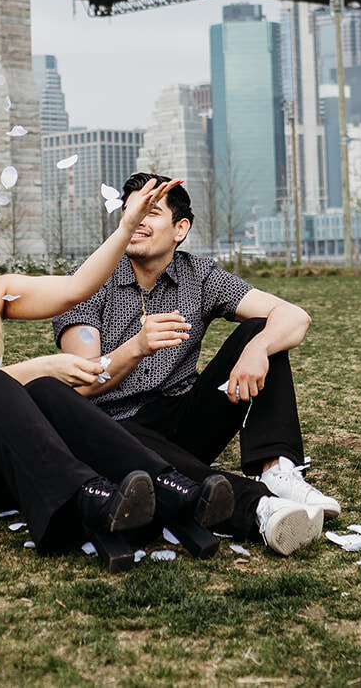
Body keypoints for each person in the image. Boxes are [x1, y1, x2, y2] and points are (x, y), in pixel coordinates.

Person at [0, 178, 232, 570]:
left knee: (44, 390)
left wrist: (127, 226)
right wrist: (42, 366)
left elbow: (76, 288)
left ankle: (169, 485)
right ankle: (90, 496)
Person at [53, 172, 340, 556]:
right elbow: (82, 384)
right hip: (116, 429)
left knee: (261, 328)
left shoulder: (198, 276)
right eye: (130, 210)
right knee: (139, 446)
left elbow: (294, 316)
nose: (137, 220)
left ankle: (277, 470)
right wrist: (135, 348)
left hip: (184, 417)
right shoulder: (89, 281)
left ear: (180, 229)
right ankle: (262, 509)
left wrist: (259, 347)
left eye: (151, 212)